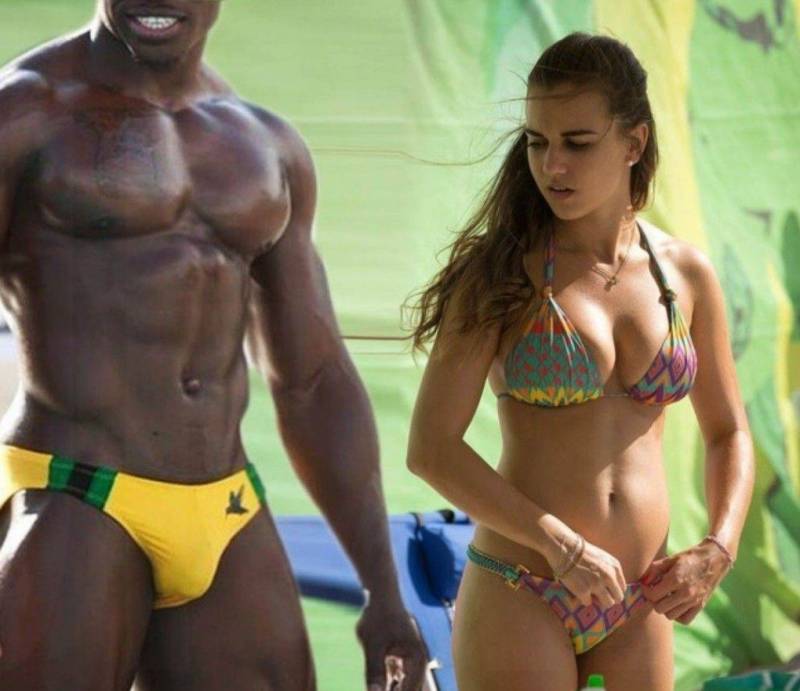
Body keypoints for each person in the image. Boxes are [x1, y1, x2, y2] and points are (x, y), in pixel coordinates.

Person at [0, 1, 426, 689]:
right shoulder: (25, 112)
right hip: (77, 490)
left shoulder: (264, 144)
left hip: (224, 505)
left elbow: (313, 378)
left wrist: (384, 590)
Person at [406, 32, 754, 690]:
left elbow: (729, 431)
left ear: (634, 142)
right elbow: (431, 449)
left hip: (639, 597)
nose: (552, 164)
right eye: (537, 141)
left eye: (577, 142)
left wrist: (719, 547)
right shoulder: (499, 273)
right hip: (523, 586)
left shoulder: (685, 274)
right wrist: (560, 546)